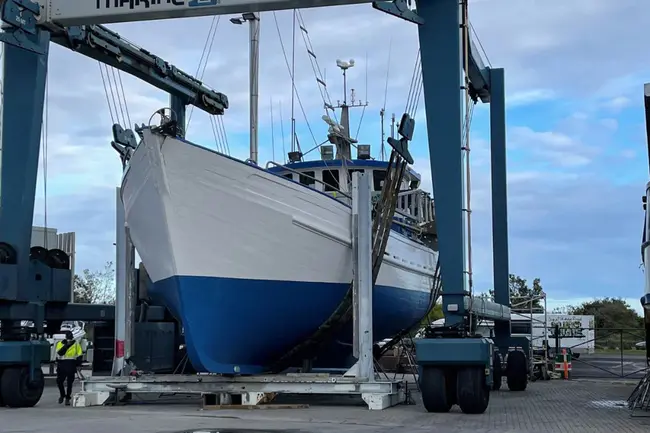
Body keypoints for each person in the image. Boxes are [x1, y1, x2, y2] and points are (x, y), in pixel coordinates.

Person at [55, 330, 83, 406]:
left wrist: (78, 365)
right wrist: (66, 345)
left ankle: (67, 398)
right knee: (59, 381)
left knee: (69, 383)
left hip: (71, 364)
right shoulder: (60, 343)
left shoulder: (76, 344)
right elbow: (59, 353)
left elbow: (80, 355)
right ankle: (62, 395)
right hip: (62, 364)